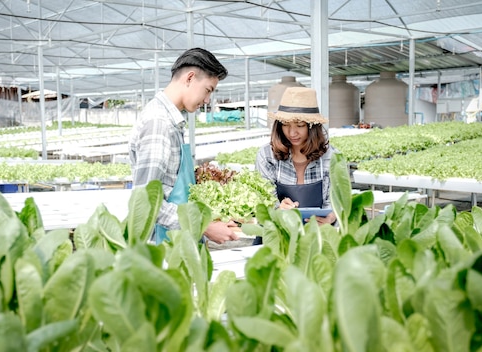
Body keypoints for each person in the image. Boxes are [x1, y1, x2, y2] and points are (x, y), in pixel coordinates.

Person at [129, 47, 240, 245]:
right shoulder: (159, 123)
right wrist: (203, 225)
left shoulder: (171, 121)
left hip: (176, 243)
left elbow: (172, 191)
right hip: (161, 250)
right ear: (190, 78)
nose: (207, 100)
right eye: (208, 90)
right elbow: (145, 202)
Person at [255, 86, 337, 236]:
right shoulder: (267, 156)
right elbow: (263, 202)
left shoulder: (331, 157)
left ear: (312, 127)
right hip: (278, 235)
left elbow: (337, 201)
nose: (292, 133)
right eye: (285, 125)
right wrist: (278, 209)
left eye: (300, 126)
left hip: (318, 235)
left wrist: (330, 218)